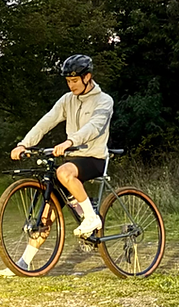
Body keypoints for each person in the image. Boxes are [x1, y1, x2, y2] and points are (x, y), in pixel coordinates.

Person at [10, 54, 113, 259]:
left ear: (88, 77)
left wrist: (70, 142)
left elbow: (94, 127)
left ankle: (91, 218)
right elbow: (47, 121)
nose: (71, 85)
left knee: (63, 171)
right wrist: (24, 144)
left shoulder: (104, 100)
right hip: (72, 160)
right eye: (68, 81)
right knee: (48, 212)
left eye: (74, 80)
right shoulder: (67, 100)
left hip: (94, 158)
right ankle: (24, 263)